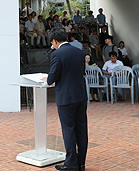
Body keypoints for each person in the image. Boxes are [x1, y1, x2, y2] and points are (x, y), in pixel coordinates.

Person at [44, 29, 88, 171]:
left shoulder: (57, 54)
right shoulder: (79, 52)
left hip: (66, 97)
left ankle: (70, 163)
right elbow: (82, 72)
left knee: (68, 129)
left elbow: (52, 78)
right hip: (80, 95)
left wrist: (48, 78)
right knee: (81, 129)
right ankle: (81, 163)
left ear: (55, 41)